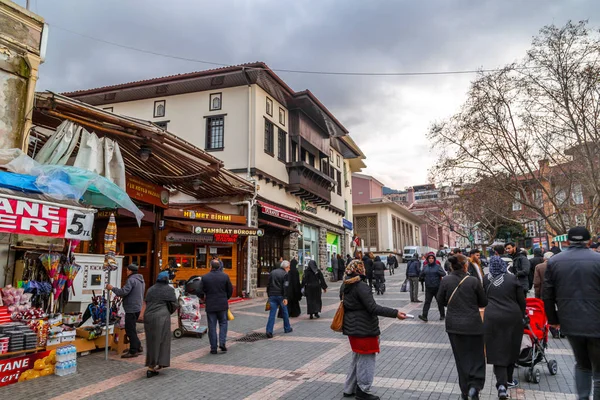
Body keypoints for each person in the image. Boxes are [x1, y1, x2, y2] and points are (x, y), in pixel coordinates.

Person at [544, 226, 600, 400]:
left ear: (567, 242)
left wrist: (553, 319)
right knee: (598, 370)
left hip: (570, 321)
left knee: (582, 364)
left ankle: (582, 397)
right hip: (597, 321)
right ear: (589, 242)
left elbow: (548, 295)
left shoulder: (554, 262)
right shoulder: (598, 260)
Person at [340, 260, 406, 400]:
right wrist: (395, 313)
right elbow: (373, 308)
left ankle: (349, 388)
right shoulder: (361, 286)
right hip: (365, 328)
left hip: (352, 327)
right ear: (360, 270)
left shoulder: (345, 285)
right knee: (367, 359)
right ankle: (363, 390)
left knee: (357, 357)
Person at [438, 255, 487, 400]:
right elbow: (483, 302)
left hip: (454, 325)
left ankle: (465, 390)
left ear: (451, 267)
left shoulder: (446, 280)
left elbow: (440, 300)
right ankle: (475, 386)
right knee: (477, 356)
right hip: (473, 324)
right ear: (465, 266)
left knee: (461, 358)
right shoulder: (472, 281)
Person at [483, 245, 526, 399]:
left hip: (492, 318)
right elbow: (522, 301)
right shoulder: (512, 278)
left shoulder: (485, 279)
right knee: (511, 348)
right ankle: (508, 380)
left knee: (497, 351)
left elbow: (482, 300)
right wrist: (522, 315)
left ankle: (501, 385)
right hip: (512, 318)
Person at [143, 271, 178, 378]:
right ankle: (156, 364)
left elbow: (147, 301)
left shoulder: (151, 289)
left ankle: (152, 365)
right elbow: (174, 305)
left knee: (151, 341)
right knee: (163, 341)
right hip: (162, 317)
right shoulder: (169, 290)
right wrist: (167, 312)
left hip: (148, 316)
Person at [106, 263, 145, 358]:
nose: (126, 272)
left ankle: (133, 350)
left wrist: (112, 288)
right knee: (132, 328)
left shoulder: (131, 280)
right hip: (137, 307)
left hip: (131, 308)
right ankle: (138, 346)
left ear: (130, 271)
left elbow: (123, 292)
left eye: (127, 270)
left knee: (129, 329)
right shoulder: (141, 280)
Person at [199, 259, 233, 354]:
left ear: (211, 266)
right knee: (223, 323)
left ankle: (213, 347)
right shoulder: (225, 276)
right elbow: (230, 289)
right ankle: (222, 342)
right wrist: (226, 297)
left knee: (212, 326)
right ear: (219, 267)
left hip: (210, 304)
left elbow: (199, 290)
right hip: (222, 304)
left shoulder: (205, 277)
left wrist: (203, 299)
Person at [266, 260, 293, 338]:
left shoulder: (272, 272)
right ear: (286, 267)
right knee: (285, 312)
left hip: (272, 295)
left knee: (272, 314)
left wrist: (269, 294)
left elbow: (268, 284)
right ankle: (287, 328)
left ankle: (269, 331)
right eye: (289, 267)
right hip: (280, 295)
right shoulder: (285, 274)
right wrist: (285, 297)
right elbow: (285, 286)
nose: (289, 269)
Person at [418, 252, 446, 322]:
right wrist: (423, 278)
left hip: (437, 288)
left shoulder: (437, 266)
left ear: (434, 259)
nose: (431, 259)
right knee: (427, 302)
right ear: (427, 259)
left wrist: (438, 273)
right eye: (429, 258)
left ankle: (442, 315)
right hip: (428, 288)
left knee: (439, 302)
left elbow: (443, 273)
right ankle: (424, 316)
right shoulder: (425, 267)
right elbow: (421, 275)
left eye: (432, 258)